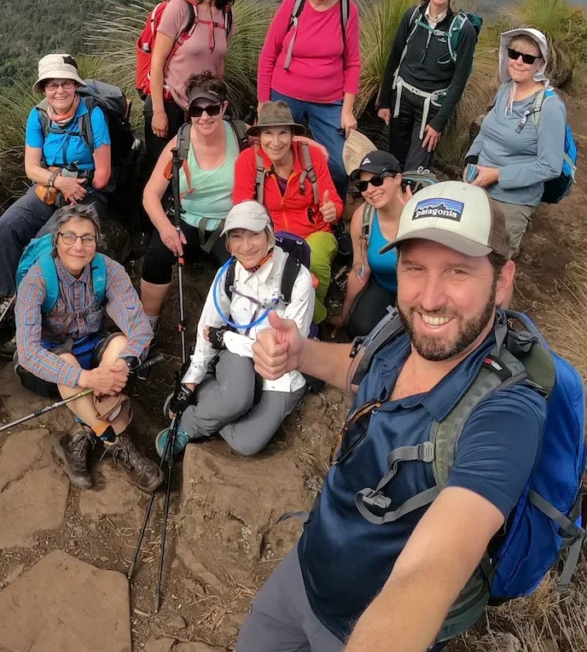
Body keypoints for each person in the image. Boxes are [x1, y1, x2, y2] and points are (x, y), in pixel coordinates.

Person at [236, 181, 547, 652]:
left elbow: (433, 568)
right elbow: (360, 369)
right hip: (302, 572)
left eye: (458, 272)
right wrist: (300, 354)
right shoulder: (402, 333)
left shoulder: (505, 413)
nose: (430, 297)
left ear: (502, 282)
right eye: (415, 268)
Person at [14, 204, 162, 493]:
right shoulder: (36, 280)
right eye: (69, 237)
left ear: (97, 240)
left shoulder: (107, 270)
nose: (78, 246)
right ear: (56, 239)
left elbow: (139, 328)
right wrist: (87, 379)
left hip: (92, 355)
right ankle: (112, 438)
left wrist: (124, 366)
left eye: (87, 238)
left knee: (120, 344)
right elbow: (29, 352)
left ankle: (77, 438)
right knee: (68, 361)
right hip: (47, 369)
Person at [155, 201, 314, 459]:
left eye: (254, 234)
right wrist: (189, 383)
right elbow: (209, 328)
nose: (246, 245)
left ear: (269, 234)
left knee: (246, 443)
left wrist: (227, 339)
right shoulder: (227, 274)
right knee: (238, 400)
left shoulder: (297, 278)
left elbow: (285, 350)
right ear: (228, 244)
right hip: (239, 357)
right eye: (236, 237)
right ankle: (188, 426)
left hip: (282, 369)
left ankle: (218, 404)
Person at [0, 53, 111, 339]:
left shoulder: (92, 115)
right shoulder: (38, 115)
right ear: (43, 89)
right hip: (52, 189)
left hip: (88, 192)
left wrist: (67, 181)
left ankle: (30, 314)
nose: (59, 91)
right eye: (52, 85)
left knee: (46, 241)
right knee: (8, 225)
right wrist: (59, 180)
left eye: (66, 84)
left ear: (75, 86)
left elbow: (102, 174)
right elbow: (31, 168)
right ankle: (10, 297)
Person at [140, 72, 243, 333]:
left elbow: (277, 142)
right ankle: (147, 324)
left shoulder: (240, 138)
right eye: (197, 110)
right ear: (189, 109)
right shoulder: (180, 145)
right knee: (157, 256)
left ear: (224, 108)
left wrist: (304, 140)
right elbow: (151, 194)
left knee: (242, 268)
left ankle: (235, 329)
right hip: (187, 219)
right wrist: (165, 228)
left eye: (212, 108)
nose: (205, 116)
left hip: (228, 224)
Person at [258, 0, 361, 201]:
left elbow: (353, 63)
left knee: (338, 164)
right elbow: (268, 54)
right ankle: (277, 206)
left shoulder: (348, 10)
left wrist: (347, 111)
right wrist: (263, 103)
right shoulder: (294, 4)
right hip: (285, 94)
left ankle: (332, 213)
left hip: (328, 101)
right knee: (275, 153)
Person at [233, 101, 341, 325]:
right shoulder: (248, 160)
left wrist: (333, 211)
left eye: (283, 133)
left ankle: (306, 321)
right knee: (283, 274)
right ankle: (317, 318)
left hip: (315, 232)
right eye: (268, 134)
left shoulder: (311, 156)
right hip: (274, 237)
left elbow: (336, 203)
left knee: (317, 258)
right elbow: (242, 211)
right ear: (259, 136)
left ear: (293, 135)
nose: (275, 142)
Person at [465, 28, 566, 258]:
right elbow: (487, 130)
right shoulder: (505, 89)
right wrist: (471, 159)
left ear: (540, 64)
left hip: (511, 202)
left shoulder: (550, 107)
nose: (519, 61)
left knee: (494, 264)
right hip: (478, 189)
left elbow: (550, 165)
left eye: (528, 58)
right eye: (514, 54)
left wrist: (497, 175)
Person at [145, 0, 247, 161]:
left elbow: (219, 62)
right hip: (171, 102)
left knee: (198, 166)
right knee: (165, 170)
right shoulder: (180, 8)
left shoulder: (226, 16)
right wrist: (158, 112)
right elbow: (157, 62)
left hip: (203, 108)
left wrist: (217, 105)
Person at [378, 0, 478, 172]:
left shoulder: (463, 30)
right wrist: (384, 100)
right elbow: (395, 58)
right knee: (395, 162)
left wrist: (439, 122)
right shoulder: (412, 16)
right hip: (401, 100)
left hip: (430, 108)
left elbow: (459, 81)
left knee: (415, 170)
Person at [333, 151, 407, 340]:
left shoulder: (421, 211)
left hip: (422, 292)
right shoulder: (363, 217)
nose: (370, 190)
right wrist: (345, 314)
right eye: (363, 185)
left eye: (377, 180)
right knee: (359, 329)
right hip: (386, 286)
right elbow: (360, 268)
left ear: (398, 178)